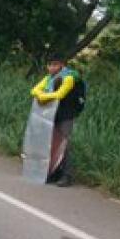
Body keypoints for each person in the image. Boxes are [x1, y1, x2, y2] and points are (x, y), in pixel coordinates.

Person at [30, 53, 85, 186]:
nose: (51, 68)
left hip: (66, 114)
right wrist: (44, 95)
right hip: (53, 114)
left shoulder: (69, 78)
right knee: (52, 144)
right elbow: (34, 90)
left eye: (54, 64)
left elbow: (60, 94)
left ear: (61, 65)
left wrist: (43, 96)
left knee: (64, 145)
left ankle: (67, 176)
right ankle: (54, 173)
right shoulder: (49, 78)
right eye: (49, 65)